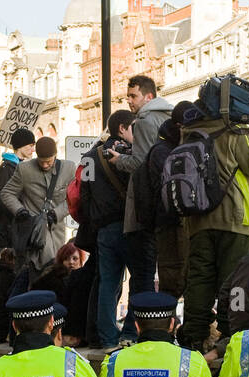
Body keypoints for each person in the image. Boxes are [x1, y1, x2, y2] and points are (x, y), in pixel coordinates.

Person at [179, 84, 249, 351]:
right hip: (235, 220)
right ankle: (228, 334)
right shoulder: (236, 131)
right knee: (233, 282)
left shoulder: (189, 132)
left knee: (199, 280)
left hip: (198, 219)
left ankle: (194, 335)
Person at [111, 75, 174, 296]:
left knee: (143, 275)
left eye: (133, 96)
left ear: (148, 96)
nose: (129, 101)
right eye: (127, 96)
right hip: (168, 204)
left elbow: (142, 162)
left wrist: (119, 160)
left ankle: (141, 326)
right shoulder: (169, 117)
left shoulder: (145, 121)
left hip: (146, 206)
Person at [125, 101, 191, 299]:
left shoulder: (166, 148)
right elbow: (167, 190)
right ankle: (162, 326)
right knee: (170, 277)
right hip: (169, 223)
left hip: (171, 221)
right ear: (180, 127)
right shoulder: (163, 151)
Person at [83, 110, 135, 347]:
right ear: (123, 128)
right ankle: (132, 333)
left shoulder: (89, 158)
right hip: (131, 226)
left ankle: (107, 337)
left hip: (103, 227)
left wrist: (93, 220)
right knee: (140, 280)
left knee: (108, 283)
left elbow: (84, 196)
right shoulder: (129, 154)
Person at [0, 138, 76, 280]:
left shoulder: (69, 168)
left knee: (57, 270)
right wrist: (20, 211)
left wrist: (57, 213)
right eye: (42, 161)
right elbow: (6, 193)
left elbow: (75, 197)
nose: (45, 165)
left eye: (49, 161)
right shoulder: (24, 169)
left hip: (56, 231)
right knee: (38, 272)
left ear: (56, 155)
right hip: (32, 231)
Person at [0, 129, 37, 250]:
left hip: (20, 229)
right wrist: (20, 212)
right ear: (21, 146)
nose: (33, 150)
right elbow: (1, 200)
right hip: (11, 232)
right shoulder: (7, 169)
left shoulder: (23, 167)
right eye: (31, 145)